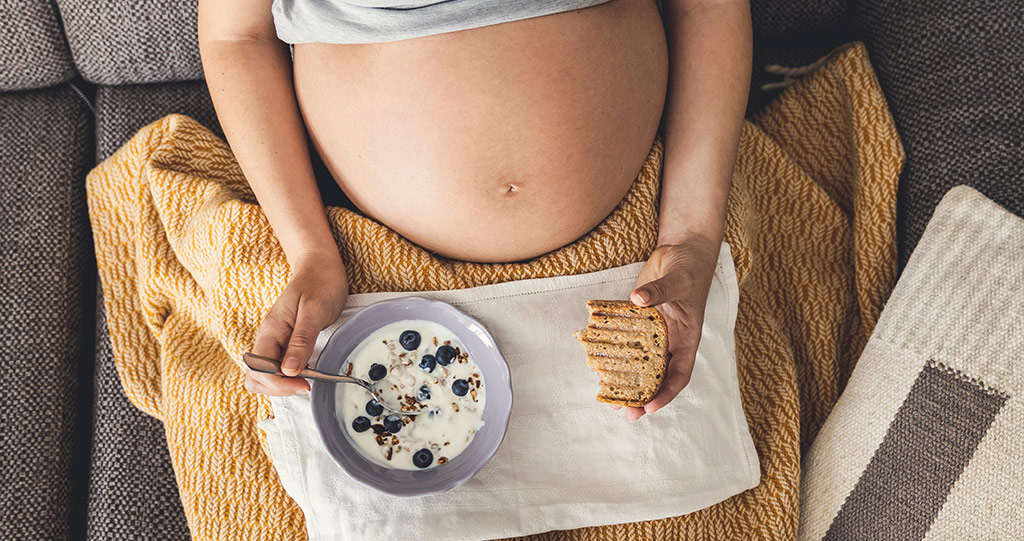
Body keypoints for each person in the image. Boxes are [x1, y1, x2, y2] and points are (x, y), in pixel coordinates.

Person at [198, 0, 751, 422]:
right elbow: (235, 34)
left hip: (648, 243)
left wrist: (693, 236)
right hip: (360, 260)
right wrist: (310, 252)